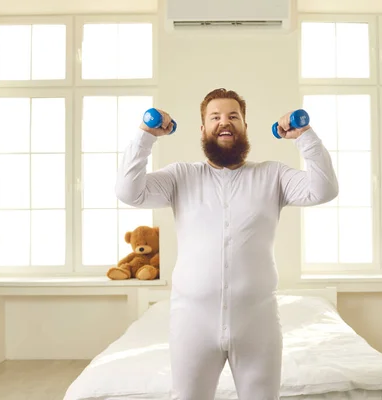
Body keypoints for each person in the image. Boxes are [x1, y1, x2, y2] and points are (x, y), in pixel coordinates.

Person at [115, 88, 338, 399]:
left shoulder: (272, 175)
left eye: (234, 116)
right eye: (215, 117)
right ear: (203, 129)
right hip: (191, 322)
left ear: (245, 127)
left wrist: (304, 135)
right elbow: (129, 192)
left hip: (257, 322)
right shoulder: (181, 176)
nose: (225, 122)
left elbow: (323, 190)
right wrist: (146, 135)